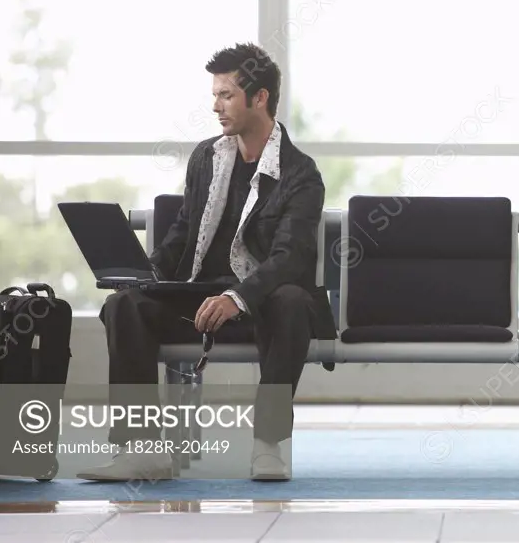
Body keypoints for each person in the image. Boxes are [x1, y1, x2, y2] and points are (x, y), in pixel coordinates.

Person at [77, 43, 336, 482]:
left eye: (226, 95)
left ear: (260, 98)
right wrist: (144, 274)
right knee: (125, 306)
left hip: (262, 305)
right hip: (199, 299)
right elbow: (183, 232)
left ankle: (268, 444)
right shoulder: (207, 158)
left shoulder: (300, 174)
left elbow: (289, 259)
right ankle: (142, 450)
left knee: (291, 300)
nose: (215, 106)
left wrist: (237, 296)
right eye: (214, 95)